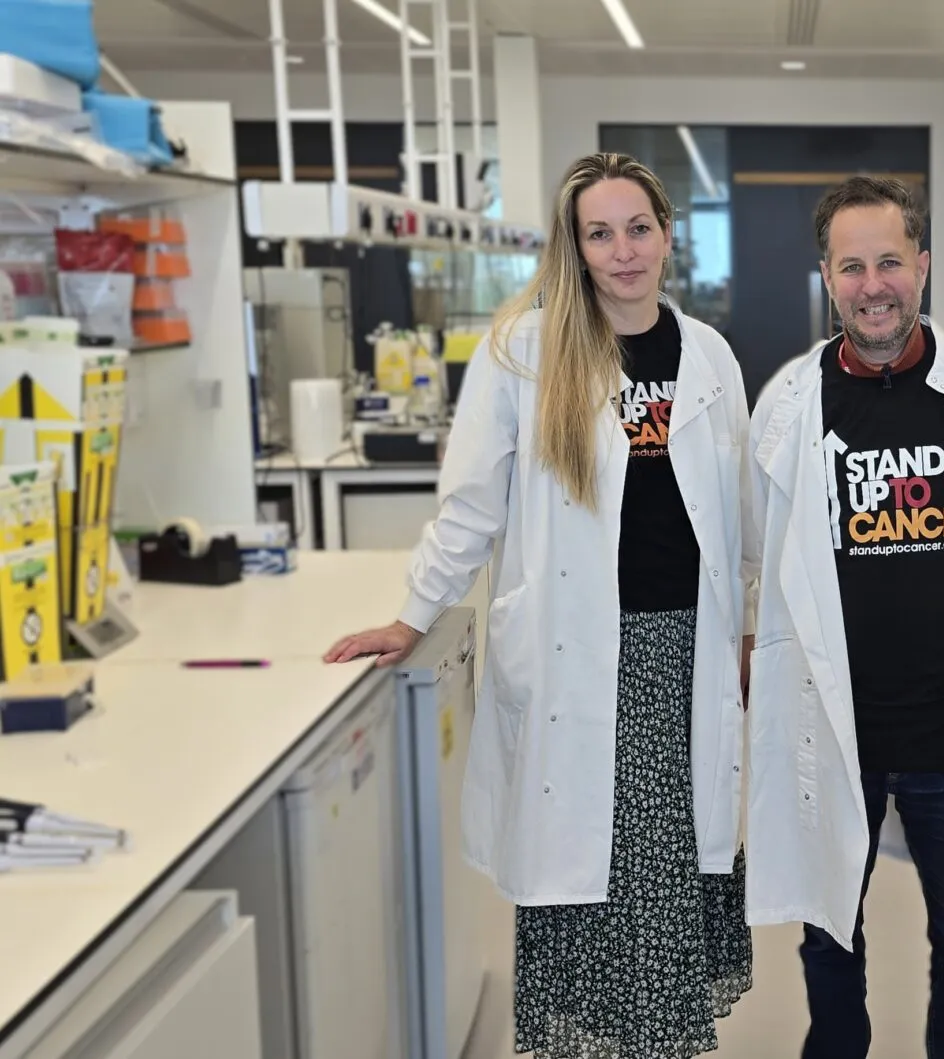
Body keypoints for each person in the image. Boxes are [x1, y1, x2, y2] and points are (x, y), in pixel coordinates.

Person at [323, 152, 754, 1059]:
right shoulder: (526, 349)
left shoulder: (708, 355)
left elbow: (740, 511)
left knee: (663, 873)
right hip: (578, 654)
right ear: (576, 244)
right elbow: (472, 503)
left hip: (685, 651)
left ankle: (652, 1044)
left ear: (668, 234)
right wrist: (412, 613)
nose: (623, 250)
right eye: (600, 232)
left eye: (639, 228)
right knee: (605, 876)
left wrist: (749, 628)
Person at [741, 175, 944, 1059]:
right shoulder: (789, 402)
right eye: (853, 265)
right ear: (828, 278)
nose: (875, 284)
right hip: (835, 726)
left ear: (924, 266)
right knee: (830, 931)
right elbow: (759, 553)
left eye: (892, 262)